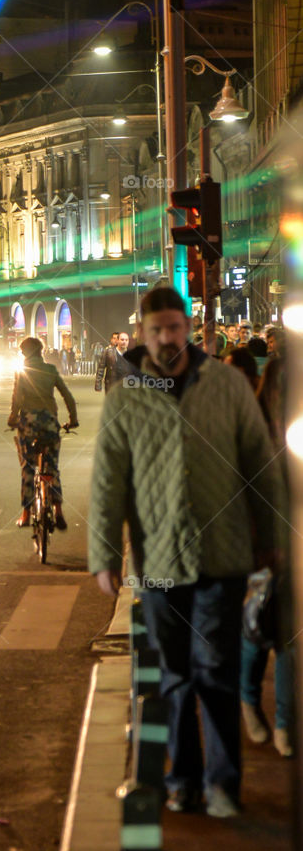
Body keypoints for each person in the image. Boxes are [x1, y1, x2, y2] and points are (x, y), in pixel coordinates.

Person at [88, 286, 284, 818]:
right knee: (174, 674)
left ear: (189, 326)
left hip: (222, 557)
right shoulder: (127, 397)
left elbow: (259, 463)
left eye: (175, 327)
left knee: (215, 667)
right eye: (157, 330)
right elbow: (109, 480)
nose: (168, 338)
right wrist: (106, 554)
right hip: (157, 559)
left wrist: (272, 540)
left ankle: (223, 785)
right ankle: (183, 781)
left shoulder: (225, 384)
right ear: (143, 333)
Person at [240, 350, 294, 758]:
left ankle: (285, 723)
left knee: (290, 637)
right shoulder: (253, 431)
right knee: (258, 629)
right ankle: (248, 702)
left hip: (295, 545)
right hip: (261, 546)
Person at [8, 335, 78, 531]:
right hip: (50, 422)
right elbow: (68, 396)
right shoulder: (51, 370)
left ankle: (26, 514)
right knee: (52, 467)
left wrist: (13, 417)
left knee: (28, 467)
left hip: (28, 423)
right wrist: (73, 420)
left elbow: (17, 398)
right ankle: (58, 511)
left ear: (26, 353)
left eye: (22, 352)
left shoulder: (22, 372)